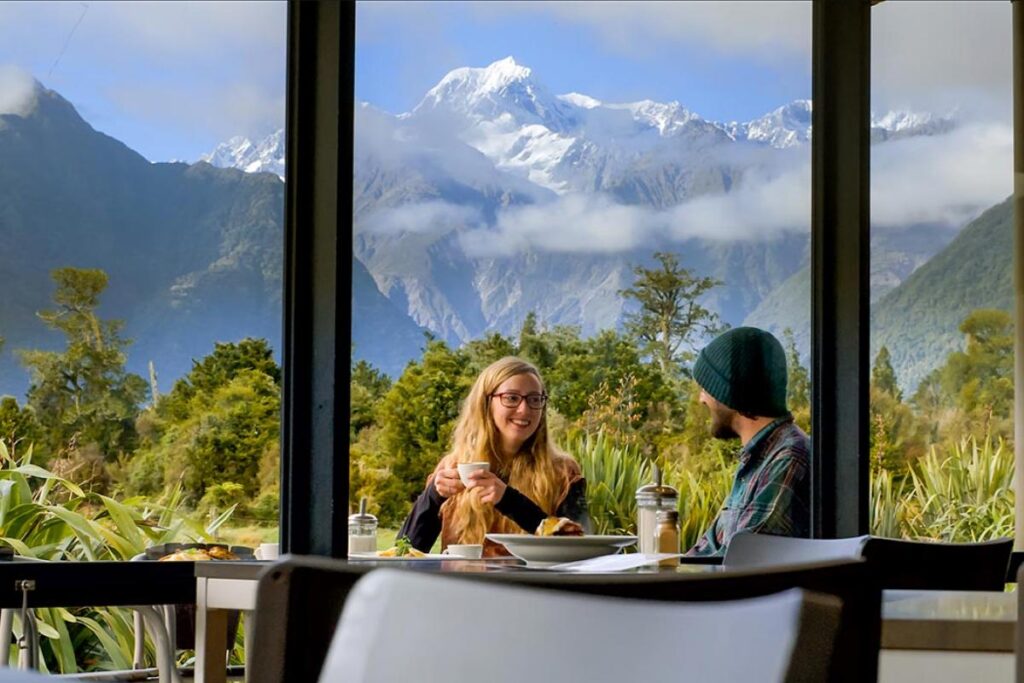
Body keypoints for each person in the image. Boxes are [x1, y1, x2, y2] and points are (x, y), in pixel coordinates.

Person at [398, 356, 588, 557]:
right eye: (512, 398)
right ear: (486, 403)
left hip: (532, 588)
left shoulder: (563, 472)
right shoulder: (453, 467)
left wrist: (509, 501)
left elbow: (580, 551)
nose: (524, 410)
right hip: (464, 586)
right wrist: (433, 496)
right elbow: (403, 553)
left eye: (534, 399)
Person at [686, 326, 810, 557]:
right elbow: (705, 552)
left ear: (731, 393)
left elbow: (742, 561)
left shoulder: (789, 458)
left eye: (706, 388)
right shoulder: (759, 460)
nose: (700, 398)